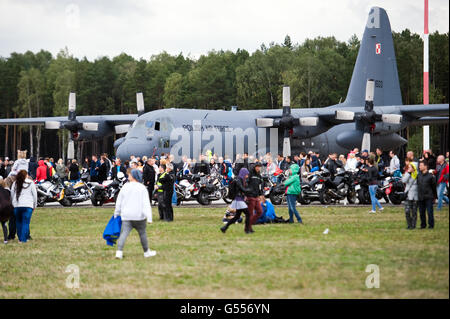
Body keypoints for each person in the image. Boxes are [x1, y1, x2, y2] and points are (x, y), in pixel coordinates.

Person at [114, 169, 155, 259]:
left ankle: (119, 252)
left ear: (133, 176)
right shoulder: (142, 188)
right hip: (139, 216)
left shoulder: (125, 187)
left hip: (126, 216)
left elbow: (119, 201)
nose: (128, 175)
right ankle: (146, 252)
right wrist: (149, 217)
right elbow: (146, 204)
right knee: (142, 234)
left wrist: (116, 213)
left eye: (130, 175)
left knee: (124, 233)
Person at [220, 167, 253, 234]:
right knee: (248, 214)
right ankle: (247, 230)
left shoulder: (241, 179)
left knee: (237, 216)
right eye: (246, 174)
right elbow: (242, 189)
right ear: (243, 174)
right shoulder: (239, 180)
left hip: (238, 200)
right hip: (239, 200)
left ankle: (224, 227)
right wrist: (250, 190)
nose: (247, 176)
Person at [10, 170, 37, 243]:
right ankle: (23, 239)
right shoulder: (30, 183)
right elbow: (34, 195)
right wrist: (35, 205)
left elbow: (12, 195)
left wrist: (12, 204)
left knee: (18, 222)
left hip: (17, 205)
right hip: (28, 205)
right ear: (26, 175)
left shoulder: (15, 183)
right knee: (26, 222)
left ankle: (20, 238)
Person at [417, 161, 437, 229]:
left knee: (429, 212)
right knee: (421, 212)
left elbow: (434, 187)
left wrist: (434, 196)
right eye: (419, 165)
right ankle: (423, 225)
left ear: (425, 166)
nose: (419, 167)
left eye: (421, 165)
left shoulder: (431, 176)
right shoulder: (419, 175)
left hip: (428, 196)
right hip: (420, 196)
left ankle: (431, 225)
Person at [402, 163, 418, 229]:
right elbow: (403, 180)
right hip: (408, 194)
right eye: (408, 167)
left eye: (410, 167)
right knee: (407, 211)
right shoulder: (408, 174)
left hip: (416, 195)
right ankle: (409, 225)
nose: (409, 168)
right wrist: (408, 173)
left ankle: (413, 225)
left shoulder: (418, 175)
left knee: (414, 211)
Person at [247, 162, 264, 227]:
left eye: (259, 167)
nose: (258, 168)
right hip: (250, 196)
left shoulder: (259, 176)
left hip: (256, 196)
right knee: (250, 212)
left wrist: (261, 194)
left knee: (260, 211)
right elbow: (246, 183)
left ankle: (251, 222)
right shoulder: (250, 174)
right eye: (257, 167)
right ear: (254, 167)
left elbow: (259, 186)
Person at [0, 177, 14, 244]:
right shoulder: (7, 190)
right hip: (7, 209)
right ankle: (5, 239)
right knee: (4, 224)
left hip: (1, 207)